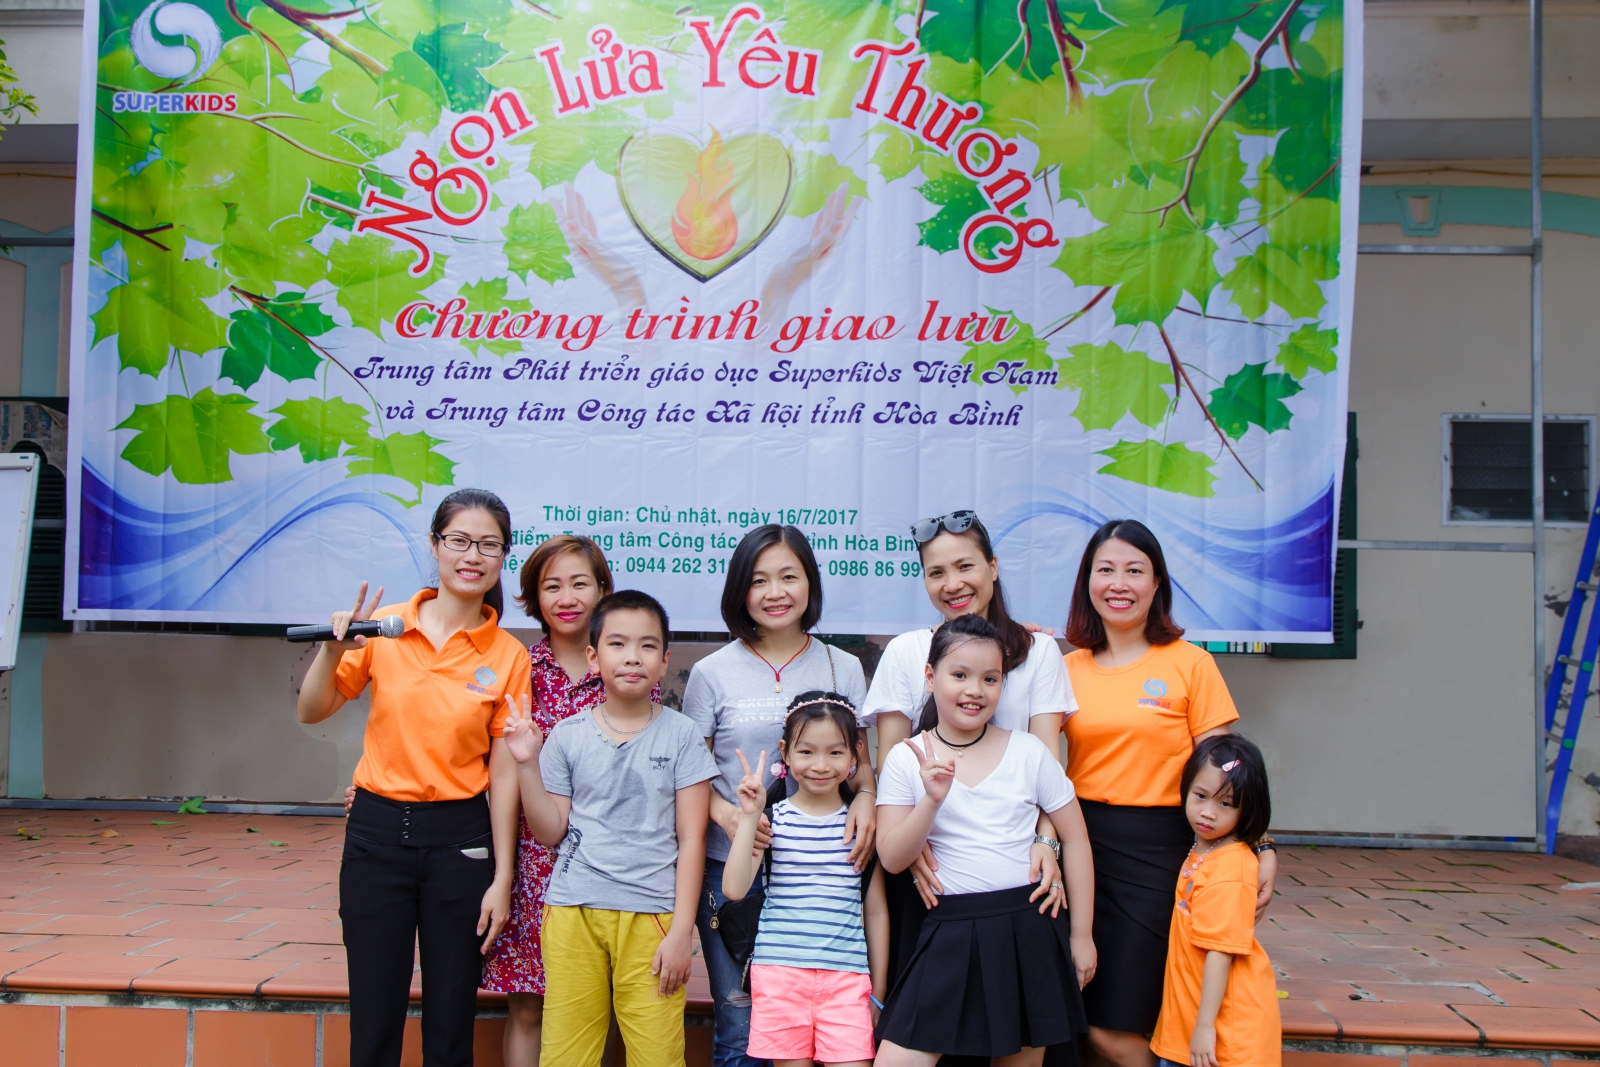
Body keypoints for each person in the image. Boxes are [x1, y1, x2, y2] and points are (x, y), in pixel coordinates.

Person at [297, 488, 531, 1067]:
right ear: (434, 545)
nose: (472, 556)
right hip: (375, 836)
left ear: (504, 555)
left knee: (451, 1022)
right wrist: (332, 649)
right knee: (374, 1019)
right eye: (459, 541)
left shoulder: (508, 655)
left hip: (462, 843)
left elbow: (504, 778)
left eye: (488, 545)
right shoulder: (385, 628)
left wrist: (503, 877)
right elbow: (311, 710)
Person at [1061, 519, 1277, 1067]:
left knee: (1120, 1020)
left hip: (1161, 853)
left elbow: (1227, 773)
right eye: (1106, 570)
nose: (1119, 584)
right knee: (1079, 1013)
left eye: (1135, 570)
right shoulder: (1064, 669)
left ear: (1157, 583)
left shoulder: (1191, 664)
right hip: (1081, 849)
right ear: (1087, 581)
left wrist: (1261, 845)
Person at [683, 524, 874, 1067]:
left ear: (810, 582)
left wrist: (865, 798)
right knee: (738, 1020)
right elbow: (691, 779)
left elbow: (861, 766)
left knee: (826, 1030)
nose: (775, 592)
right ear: (739, 589)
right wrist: (730, 817)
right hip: (733, 870)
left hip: (820, 872)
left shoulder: (842, 666)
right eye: (758, 580)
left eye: (789, 577)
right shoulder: (711, 672)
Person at [502, 589, 717, 1067]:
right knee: (566, 1054)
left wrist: (682, 932)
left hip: (652, 917)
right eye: (617, 644)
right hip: (572, 912)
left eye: (647, 645)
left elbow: (692, 838)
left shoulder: (682, 735)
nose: (632, 657)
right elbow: (550, 831)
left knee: (657, 1054)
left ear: (664, 661)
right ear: (594, 658)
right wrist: (526, 765)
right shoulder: (567, 735)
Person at [874, 615, 1096, 1067]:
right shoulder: (905, 758)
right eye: (959, 675)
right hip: (948, 927)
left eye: (990, 679)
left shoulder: (1029, 751)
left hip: (1028, 927)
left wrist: (1082, 935)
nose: (975, 690)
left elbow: (1076, 840)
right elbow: (892, 859)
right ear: (930, 677)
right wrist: (930, 801)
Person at [863, 510, 1072, 979]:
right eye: (936, 572)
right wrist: (909, 845)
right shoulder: (906, 652)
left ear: (993, 568)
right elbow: (891, 761)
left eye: (965, 566)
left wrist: (1047, 841)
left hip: (1016, 867)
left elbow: (1049, 765)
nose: (952, 584)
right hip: (930, 872)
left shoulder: (1038, 652)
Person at [482, 535, 656, 1067]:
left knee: (604, 1006)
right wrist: (504, 876)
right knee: (529, 1005)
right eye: (551, 585)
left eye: (580, 583)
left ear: (603, 589)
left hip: (613, 863)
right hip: (538, 862)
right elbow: (502, 776)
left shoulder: (627, 669)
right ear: (534, 597)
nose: (567, 597)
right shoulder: (521, 670)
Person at [721, 691, 890, 1067]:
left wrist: (877, 990)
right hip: (780, 978)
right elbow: (733, 889)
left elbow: (876, 912)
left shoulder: (862, 826)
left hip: (848, 981)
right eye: (806, 751)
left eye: (835, 752)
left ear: (855, 754)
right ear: (785, 752)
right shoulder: (773, 820)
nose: (820, 765)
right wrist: (749, 816)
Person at [1149, 736, 1280, 1067]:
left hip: (1223, 1038)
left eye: (1226, 804)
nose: (1208, 812)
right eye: (1200, 796)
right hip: (1190, 1024)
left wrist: (1205, 1027)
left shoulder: (1231, 866)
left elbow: (1220, 952)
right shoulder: (1205, 848)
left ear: (1247, 808)